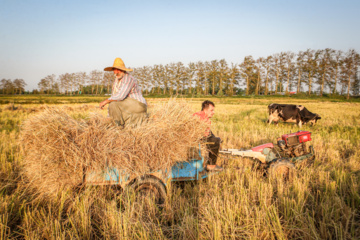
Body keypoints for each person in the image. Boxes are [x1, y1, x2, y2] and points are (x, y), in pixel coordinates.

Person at [99, 57, 147, 128]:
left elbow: (120, 96)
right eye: (115, 70)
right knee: (113, 104)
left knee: (113, 104)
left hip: (138, 104)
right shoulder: (116, 81)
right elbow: (114, 96)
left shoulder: (128, 79)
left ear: (123, 70)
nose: (117, 72)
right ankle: (117, 124)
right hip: (128, 104)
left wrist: (105, 101)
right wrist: (109, 116)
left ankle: (118, 127)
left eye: (119, 69)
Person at [193, 100, 222, 171]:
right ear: (205, 110)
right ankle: (211, 165)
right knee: (215, 141)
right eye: (211, 110)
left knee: (215, 138)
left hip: (199, 136)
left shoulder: (199, 115)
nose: (213, 112)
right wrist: (216, 141)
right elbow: (203, 135)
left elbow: (208, 133)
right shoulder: (201, 118)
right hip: (197, 138)